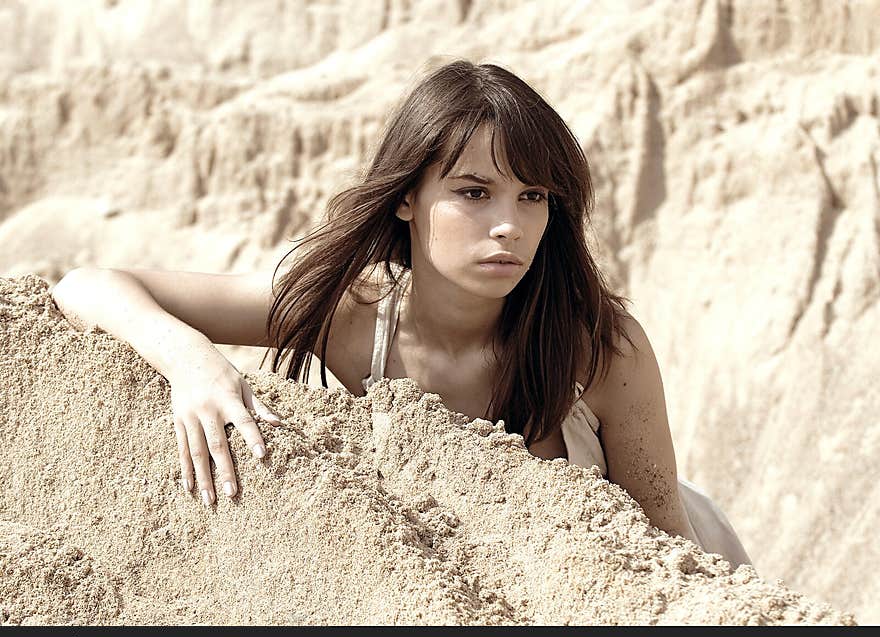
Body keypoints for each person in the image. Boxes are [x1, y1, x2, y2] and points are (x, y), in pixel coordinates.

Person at [50, 59, 751, 568]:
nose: (508, 225)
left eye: (532, 196)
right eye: (474, 193)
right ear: (406, 197)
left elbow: (672, 548)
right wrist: (194, 362)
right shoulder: (354, 312)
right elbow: (86, 284)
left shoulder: (599, 346)